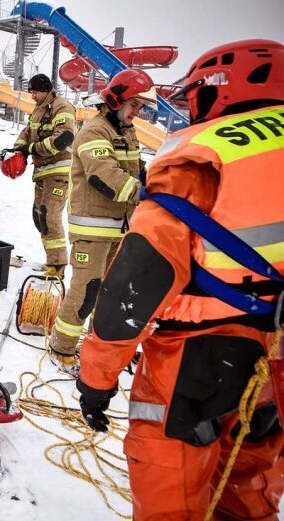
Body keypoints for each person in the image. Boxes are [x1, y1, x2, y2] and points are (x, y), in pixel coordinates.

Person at [76, 39, 284, 520]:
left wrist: (96, 379)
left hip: (200, 362)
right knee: (250, 482)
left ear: (211, 92)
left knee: (173, 489)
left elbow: (133, 291)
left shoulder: (202, 159)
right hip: (273, 357)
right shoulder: (97, 130)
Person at [50, 69, 155, 375]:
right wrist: (144, 192)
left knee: (112, 292)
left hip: (119, 228)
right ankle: (62, 348)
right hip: (92, 229)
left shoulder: (126, 131)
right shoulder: (94, 132)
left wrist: (158, 178)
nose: (138, 113)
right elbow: (103, 174)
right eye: (135, 105)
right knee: (86, 291)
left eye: (141, 107)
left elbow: (136, 168)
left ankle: (100, 346)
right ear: (116, 100)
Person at [7, 74, 75, 277]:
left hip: (58, 171)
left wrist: (31, 149)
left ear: (46, 90)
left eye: (35, 92)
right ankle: (51, 260)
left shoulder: (62, 107)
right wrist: (17, 149)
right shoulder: (39, 109)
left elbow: (63, 138)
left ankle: (57, 266)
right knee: (40, 217)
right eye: (31, 92)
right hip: (42, 172)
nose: (32, 96)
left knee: (50, 216)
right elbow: (28, 132)